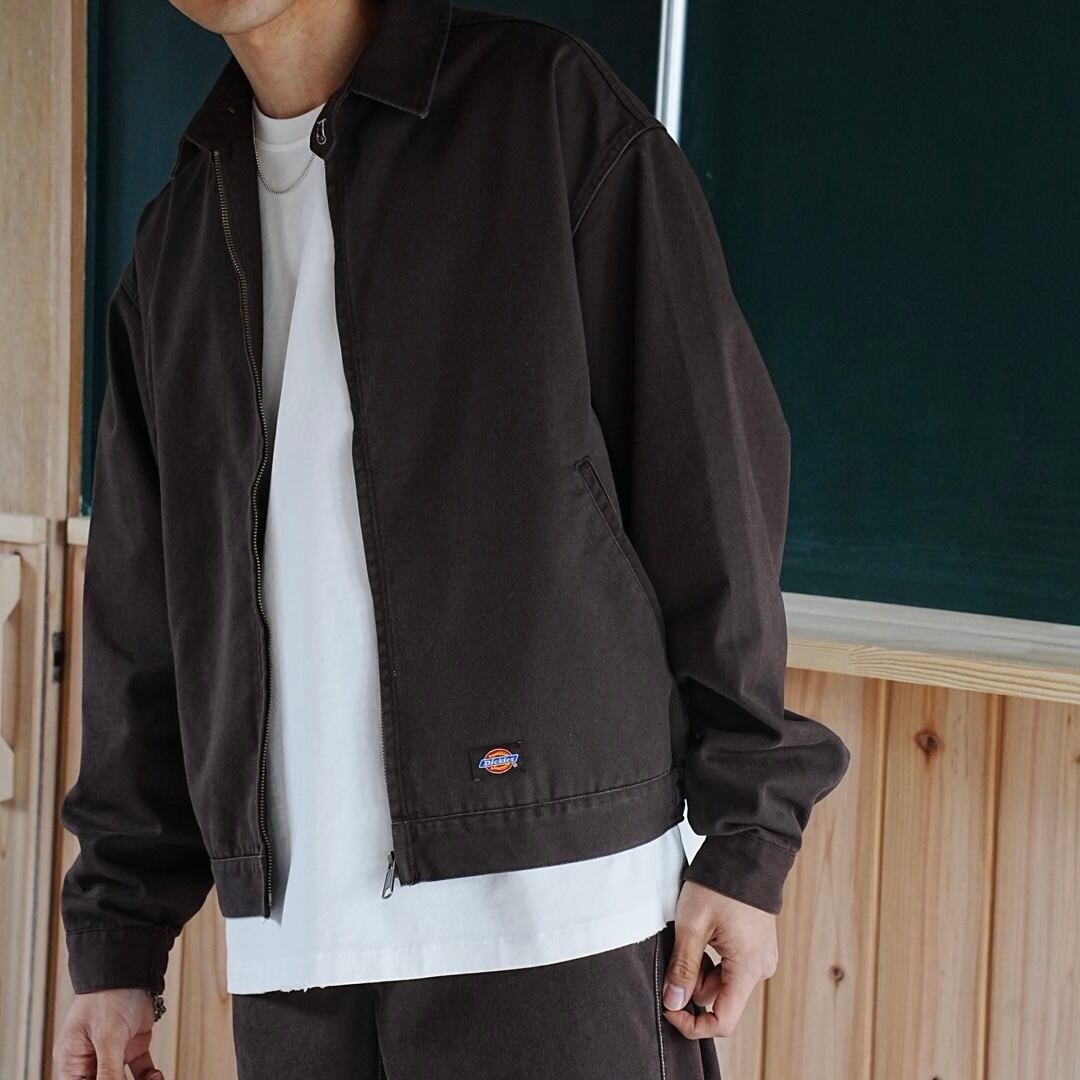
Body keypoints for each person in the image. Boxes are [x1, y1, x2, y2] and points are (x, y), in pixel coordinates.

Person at [52, 1, 851, 1077]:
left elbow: (709, 474)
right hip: (298, 958)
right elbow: (148, 624)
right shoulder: (177, 242)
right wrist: (117, 936)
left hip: (555, 916)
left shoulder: (545, 112)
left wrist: (747, 834)